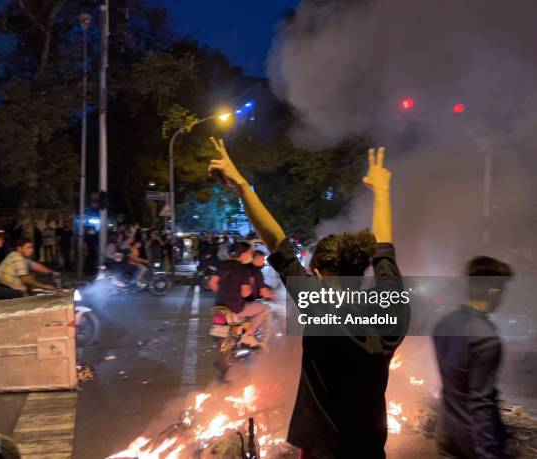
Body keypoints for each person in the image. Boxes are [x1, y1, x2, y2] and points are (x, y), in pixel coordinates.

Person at [208, 138, 407, 458]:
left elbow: (276, 242)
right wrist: (382, 192)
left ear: (320, 274)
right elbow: (385, 249)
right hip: (369, 450)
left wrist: (242, 185)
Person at [433, 256, 515, 459]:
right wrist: (487, 452)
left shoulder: (444, 324)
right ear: (493, 292)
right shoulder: (486, 338)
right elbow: (480, 403)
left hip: (445, 434)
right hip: (472, 442)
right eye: (503, 290)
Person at [209, 241, 269, 348]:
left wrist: (224, 293)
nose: (251, 255)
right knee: (263, 308)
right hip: (236, 307)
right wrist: (251, 287)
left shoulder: (223, 264)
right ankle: (249, 335)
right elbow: (245, 293)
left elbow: (212, 283)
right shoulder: (243, 269)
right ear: (244, 254)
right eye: (250, 252)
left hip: (220, 304)